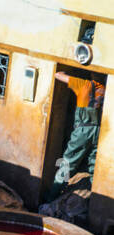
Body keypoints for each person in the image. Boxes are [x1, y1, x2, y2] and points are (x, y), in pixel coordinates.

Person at [49, 61, 105, 200]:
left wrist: (72, 74)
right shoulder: (105, 89)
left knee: (67, 163)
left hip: (82, 131)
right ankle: (95, 200)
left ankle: (51, 196)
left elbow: (58, 74)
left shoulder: (82, 84)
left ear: (92, 72)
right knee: (94, 165)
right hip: (98, 130)